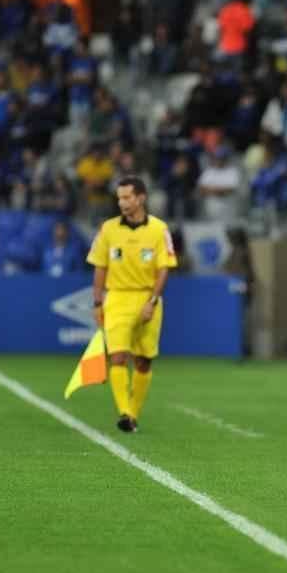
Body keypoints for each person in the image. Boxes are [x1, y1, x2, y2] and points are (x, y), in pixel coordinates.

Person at [88, 178, 178, 433]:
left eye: (127, 197)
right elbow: (99, 267)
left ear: (141, 198)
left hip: (147, 298)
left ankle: (134, 414)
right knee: (117, 356)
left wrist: (152, 301)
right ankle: (125, 412)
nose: (122, 202)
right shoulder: (108, 229)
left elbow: (164, 269)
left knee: (143, 361)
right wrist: (97, 302)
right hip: (116, 297)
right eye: (119, 198)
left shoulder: (159, 229)